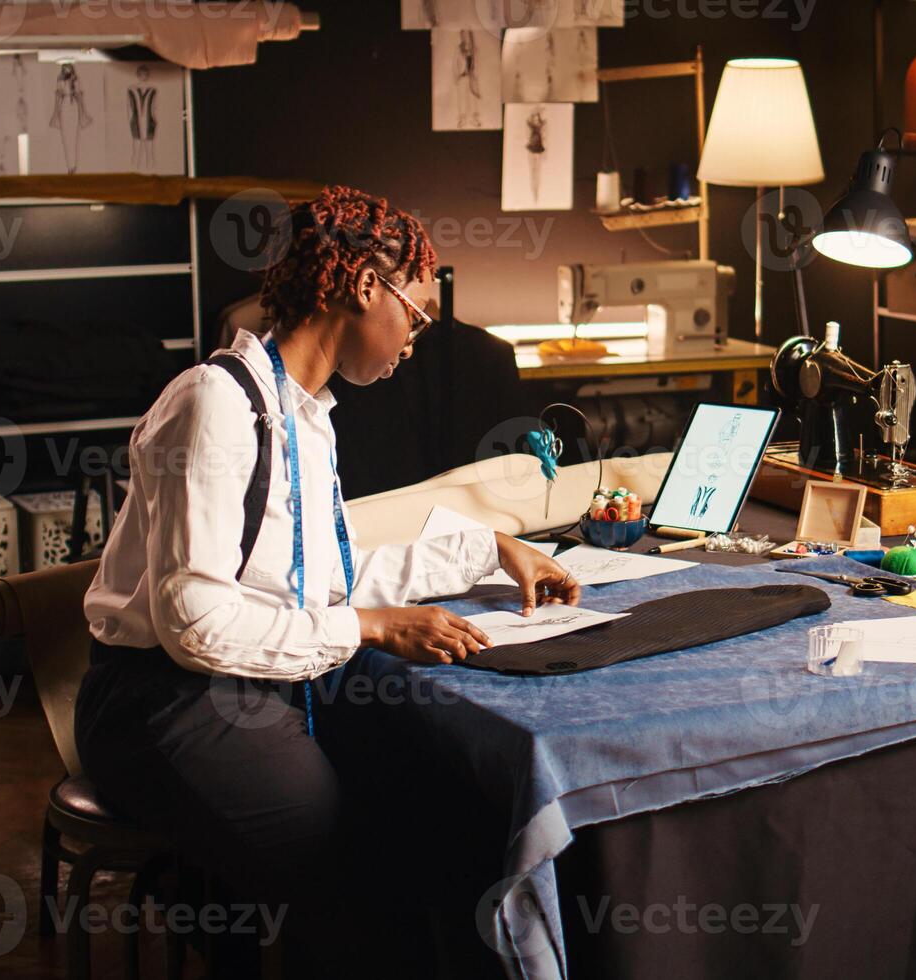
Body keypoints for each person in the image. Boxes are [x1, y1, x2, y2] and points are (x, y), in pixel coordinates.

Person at [76, 185, 578, 973]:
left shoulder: (306, 414)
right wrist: (371, 628)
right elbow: (193, 618)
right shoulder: (217, 403)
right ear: (362, 286)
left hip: (241, 684)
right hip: (162, 700)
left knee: (432, 810)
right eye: (414, 314)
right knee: (357, 867)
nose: (415, 337)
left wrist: (488, 548)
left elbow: (321, 583)